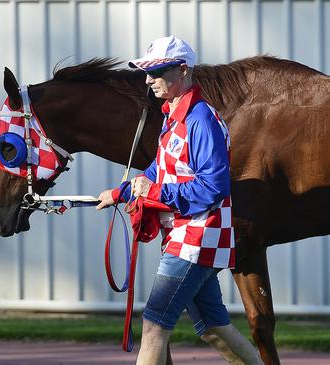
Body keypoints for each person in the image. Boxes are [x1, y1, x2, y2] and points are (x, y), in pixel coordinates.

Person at [97, 35, 262, 365]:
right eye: (148, 72)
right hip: (187, 238)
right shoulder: (173, 116)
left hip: (197, 239)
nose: (149, 80)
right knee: (214, 328)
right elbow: (159, 171)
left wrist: (154, 193)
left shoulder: (201, 120)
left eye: (157, 72)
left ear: (183, 70)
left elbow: (214, 187)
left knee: (154, 325)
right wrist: (123, 191)